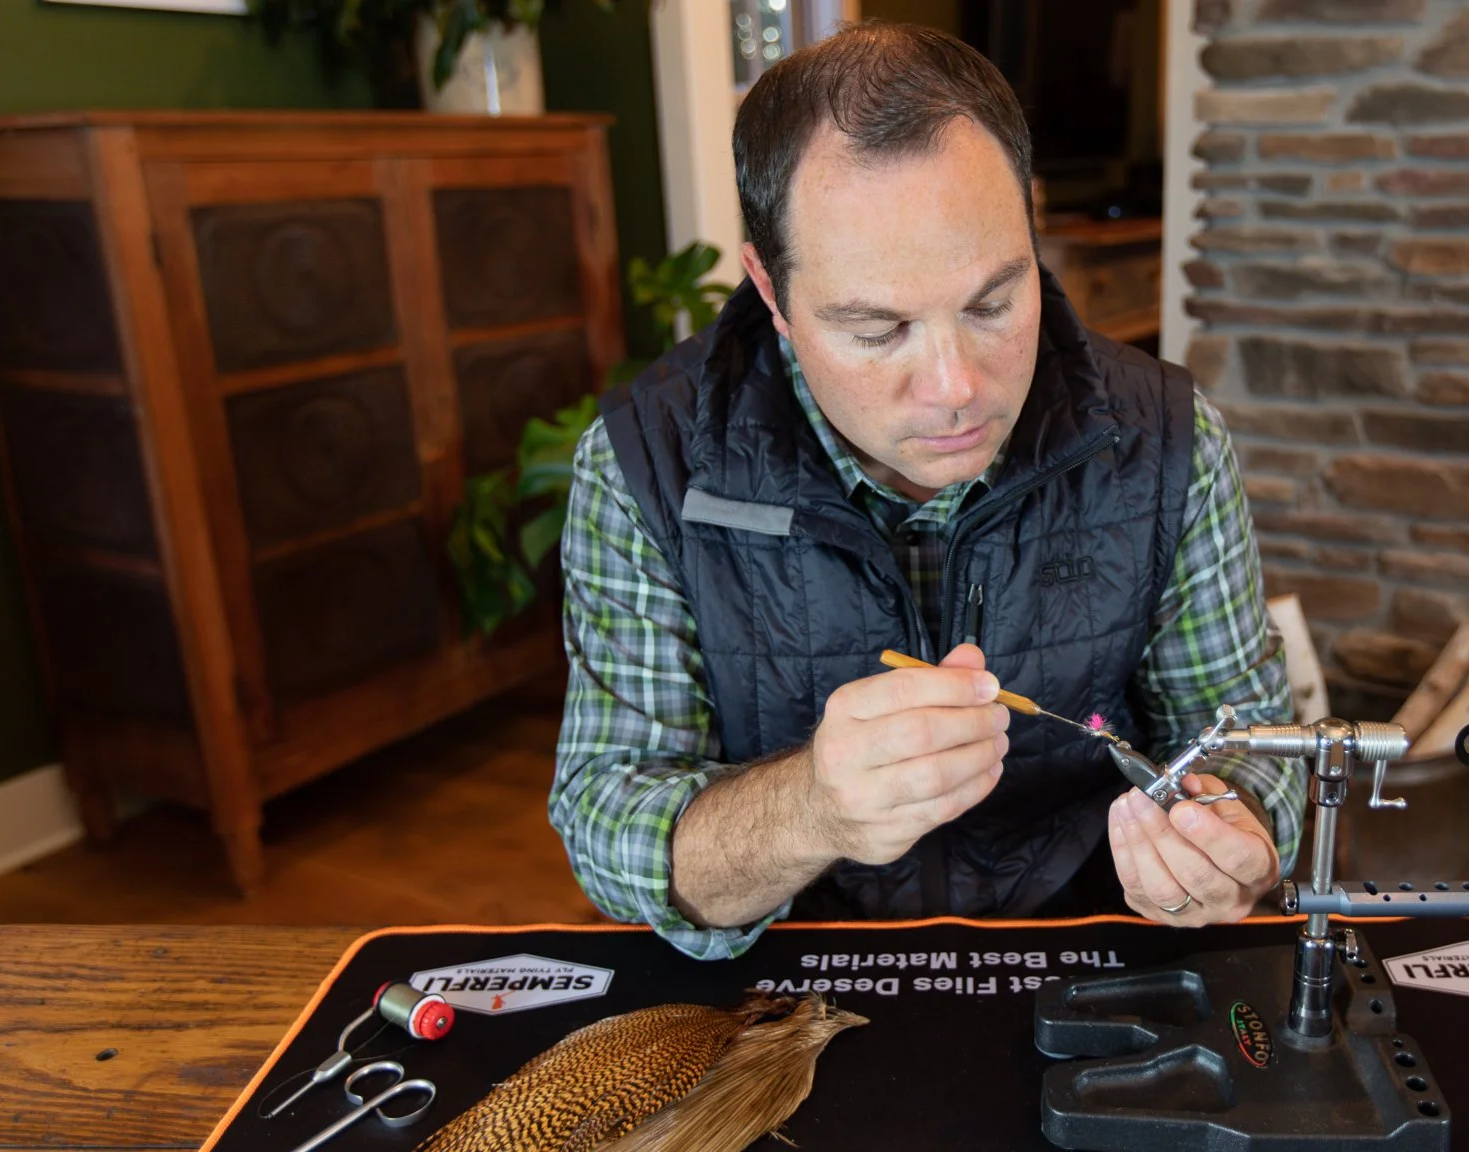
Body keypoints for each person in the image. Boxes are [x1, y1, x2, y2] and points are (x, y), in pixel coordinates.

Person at [550, 22, 1297, 960]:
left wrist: (1234, 837)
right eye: (876, 329)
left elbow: (1255, 741)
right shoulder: (644, 466)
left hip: (1092, 961)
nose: (956, 388)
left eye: (993, 302)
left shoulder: (1167, 441)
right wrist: (812, 807)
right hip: (792, 983)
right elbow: (607, 822)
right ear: (770, 293)